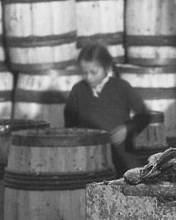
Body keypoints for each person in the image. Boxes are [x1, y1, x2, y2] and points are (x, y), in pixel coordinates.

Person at [62, 43, 151, 174]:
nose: (89, 77)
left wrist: (128, 128)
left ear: (106, 68)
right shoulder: (78, 91)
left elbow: (144, 115)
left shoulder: (121, 87)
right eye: (84, 73)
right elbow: (70, 124)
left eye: (93, 72)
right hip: (89, 159)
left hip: (121, 156)